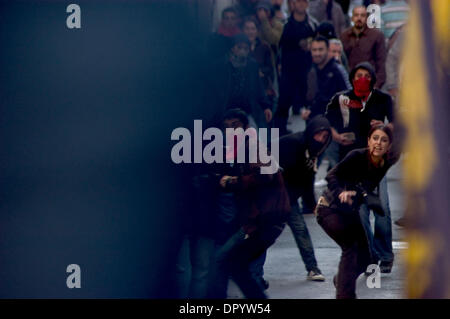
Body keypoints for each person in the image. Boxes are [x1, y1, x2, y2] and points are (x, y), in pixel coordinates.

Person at [210, 108, 291, 299]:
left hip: (265, 219)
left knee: (226, 261)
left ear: (246, 128)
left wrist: (233, 181)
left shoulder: (253, 147)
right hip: (258, 220)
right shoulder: (237, 150)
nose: (231, 131)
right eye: (227, 127)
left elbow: (265, 174)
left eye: (235, 126)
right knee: (234, 264)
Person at [316, 124, 401, 299]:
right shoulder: (356, 156)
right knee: (351, 248)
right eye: (375, 138)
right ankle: (345, 294)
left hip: (350, 211)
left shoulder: (386, 162)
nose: (378, 143)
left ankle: (341, 280)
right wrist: (342, 192)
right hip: (329, 209)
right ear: (368, 141)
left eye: (384, 140)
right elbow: (331, 175)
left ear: (389, 145)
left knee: (366, 259)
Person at [325, 61, 396, 273]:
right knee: (360, 212)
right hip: (351, 161)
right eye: (357, 75)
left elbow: (395, 123)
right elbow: (326, 121)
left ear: (373, 78)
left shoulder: (383, 99)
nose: (361, 79)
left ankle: (385, 255)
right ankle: (369, 255)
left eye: (366, 75)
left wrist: (384, 127)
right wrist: (337, 136)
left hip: (375, 160)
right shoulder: (342, 99)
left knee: (381, 207)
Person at [276, 115, 332, 281]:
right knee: (263, 234)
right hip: (274, 194)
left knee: (300, 230)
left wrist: (312, 205)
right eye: (318, 135)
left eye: (324, 137)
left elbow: (307, 181)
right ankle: (253, 274)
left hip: (288, 196)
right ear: (311, 132)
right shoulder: (295, 144)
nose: (320, 140)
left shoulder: (311, 151)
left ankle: (312, 268)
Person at [210, 33, 274, 129]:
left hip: (246, 110)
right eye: (239, 47)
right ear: (232, 48)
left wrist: (266, 106)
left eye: (245, 48)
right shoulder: (221, 66)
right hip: (226, 111)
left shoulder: (252, 65)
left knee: (252, 136)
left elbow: (258, 87)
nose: (242, 51)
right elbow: (214, 90)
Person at [274, 0, 318, 136]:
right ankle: (279, 134)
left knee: (309, 103)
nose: (300, 4)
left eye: (303, 1)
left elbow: (317, 43)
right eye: (297, 1)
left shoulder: (312, 24)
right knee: (283, 103)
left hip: (306, 70)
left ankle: (311, 134)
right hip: (288, 70)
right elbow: (279, 46)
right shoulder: (285, 25)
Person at [340, 5, 386, 88]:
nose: (359, 18)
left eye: (362, 15)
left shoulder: (376, 36)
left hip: (370, 82)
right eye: (356, 15)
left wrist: (376, 86)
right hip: (350, 83)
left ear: (367, 18)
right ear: (352, 18)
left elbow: (381, 63)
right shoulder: (344, 36)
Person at [243, 17, 277, 103]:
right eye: (247, 29)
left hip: (261, 88)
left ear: (257, 31)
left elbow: (270, 68)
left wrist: (260, 71)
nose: (250, 32)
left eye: (252, 29)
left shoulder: (264, 47)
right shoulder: (239, 47)